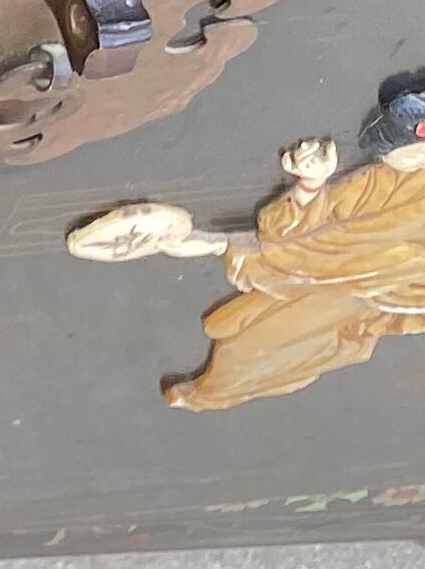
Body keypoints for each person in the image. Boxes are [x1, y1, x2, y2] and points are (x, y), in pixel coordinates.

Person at [68, 73, 425, 411]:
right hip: (322, 277)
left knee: (257, 350)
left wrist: (310, 188)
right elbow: (302, 233)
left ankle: (206, 390)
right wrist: (310, 187)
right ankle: (186, 241)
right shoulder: (377, 184)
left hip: (349, 302)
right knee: (254, 338)